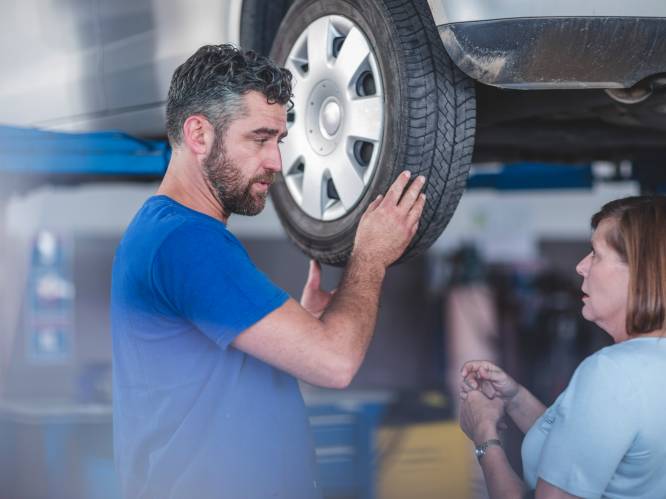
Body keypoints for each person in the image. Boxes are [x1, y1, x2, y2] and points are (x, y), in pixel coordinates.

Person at [110, 44, 426, 499]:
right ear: (198, 134)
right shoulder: (185, 242)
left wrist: (303, 326)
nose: (276, 162)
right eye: (259, 139)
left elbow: (216, 384)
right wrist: (372, 255)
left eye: (278, 140)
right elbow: (335, 364)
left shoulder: (168, 235)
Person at [457, 196, 666, 499]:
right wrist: (515, 398)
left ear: (640, 273)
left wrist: (484, 437)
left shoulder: (611, 373)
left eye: (596, 254)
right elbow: (588, 446)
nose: (581, 266)